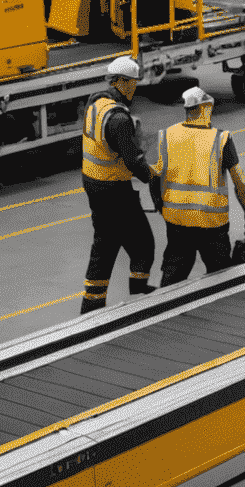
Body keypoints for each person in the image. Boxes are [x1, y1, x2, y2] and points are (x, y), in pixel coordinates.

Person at [79, 55, 157, 313]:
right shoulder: (118, 119)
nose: (135, 87)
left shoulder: (96, 103)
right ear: (121, 82)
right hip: (114, 191)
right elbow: (134, 161)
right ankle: (133, 293)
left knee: (109, 243)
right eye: (133, 83)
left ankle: (94, 302)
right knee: (141, 243)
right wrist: (151, 175)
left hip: (93, 184)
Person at [155, 86, 245, 285]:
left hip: (177, 220)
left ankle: (163, 310)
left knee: (173, 276)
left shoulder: (167, 135)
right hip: (211, 222)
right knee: (221, 277)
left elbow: (153, 175)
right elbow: (240, 183)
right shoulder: (221, 138)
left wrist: (161, 205)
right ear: (206, 108)